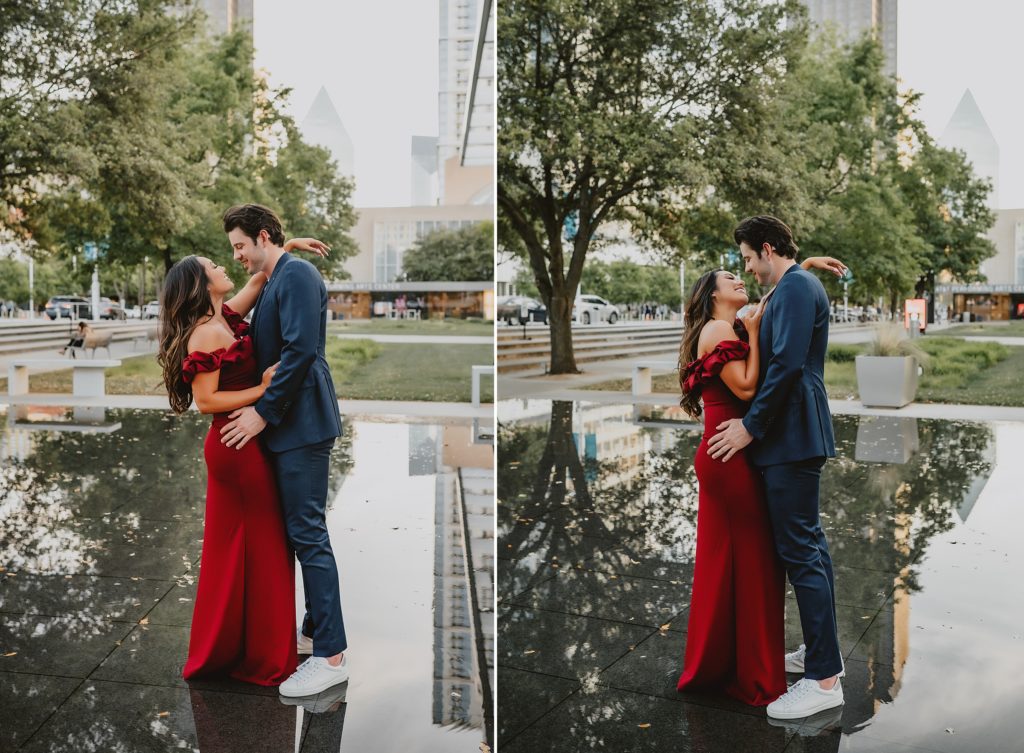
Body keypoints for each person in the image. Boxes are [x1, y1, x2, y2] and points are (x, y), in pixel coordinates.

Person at [675, 249, 845, 708]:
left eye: (747, 263)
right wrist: (750, 330)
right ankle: (754, 665)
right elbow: (748, 388)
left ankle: (749, 658)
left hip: (736, 448)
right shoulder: (716, 329)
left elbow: (778, 292)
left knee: (750, 558)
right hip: (728, 451)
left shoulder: (735, 320)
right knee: (756, 558)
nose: (743, 276)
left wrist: (803, 266)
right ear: (711, 293)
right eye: (732, 274)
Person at [157, 237, 328, 687]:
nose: (225, 262)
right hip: (235, 444)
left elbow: (259, 276)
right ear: (203, 283)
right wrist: (264, 389)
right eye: (214, 263)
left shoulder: (222, 317)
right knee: (266, 546)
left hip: (242, 443)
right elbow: (207, 399)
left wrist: (283, 247)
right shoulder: (209, 331)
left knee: (247, 550)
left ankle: (248, 644)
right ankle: (264, 655)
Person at [217, 204, 348, 699]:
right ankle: (316, 630)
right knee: (302, 531)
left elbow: (300, 352)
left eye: (241, 245)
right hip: (291, 426)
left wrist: (262, 414)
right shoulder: (280, 272)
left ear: (264, 236)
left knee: (308, 534)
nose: (237, 256)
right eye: (234, 248)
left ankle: (331, 656)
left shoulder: (296, 276)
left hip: (302, 424)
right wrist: (284, 249)